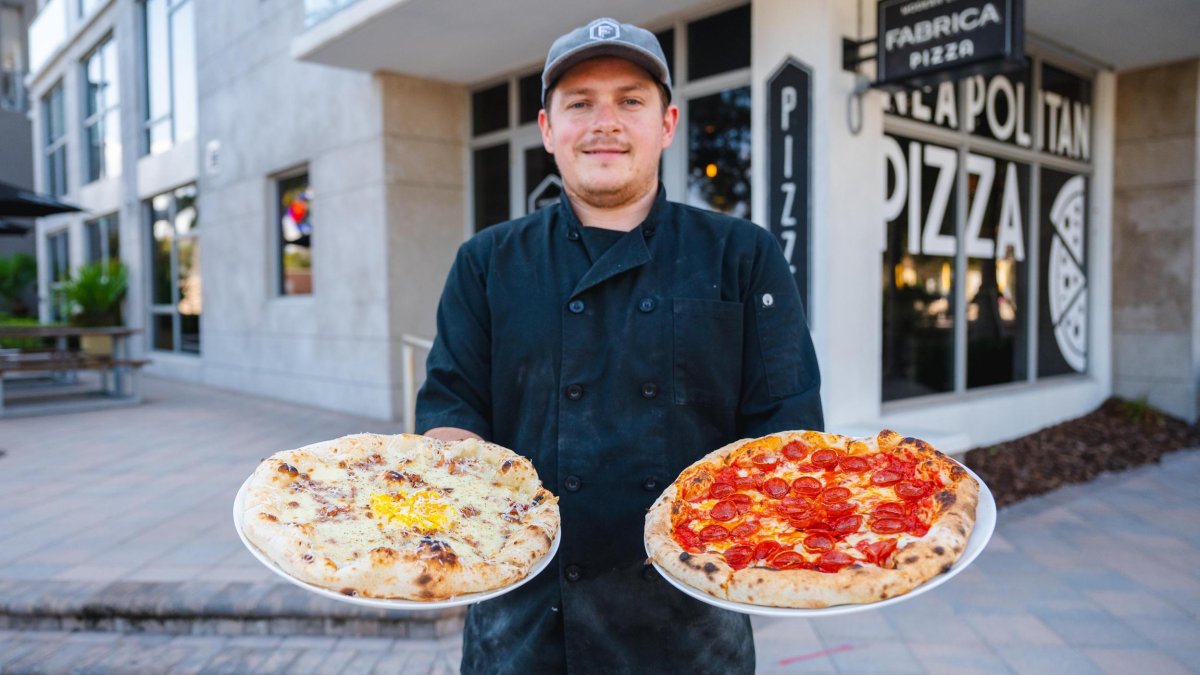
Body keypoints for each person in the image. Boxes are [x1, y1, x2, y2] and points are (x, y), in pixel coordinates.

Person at [416, 17, 823, 675]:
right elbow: (451, 407)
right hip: (524, 624)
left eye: (630, 100)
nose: (605, 121)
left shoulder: (743, 255)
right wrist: (458, 491)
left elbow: (787, 432)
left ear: (667, 124)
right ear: (549, 130)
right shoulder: (487, 261)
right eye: (580, 103)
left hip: (692, 623)